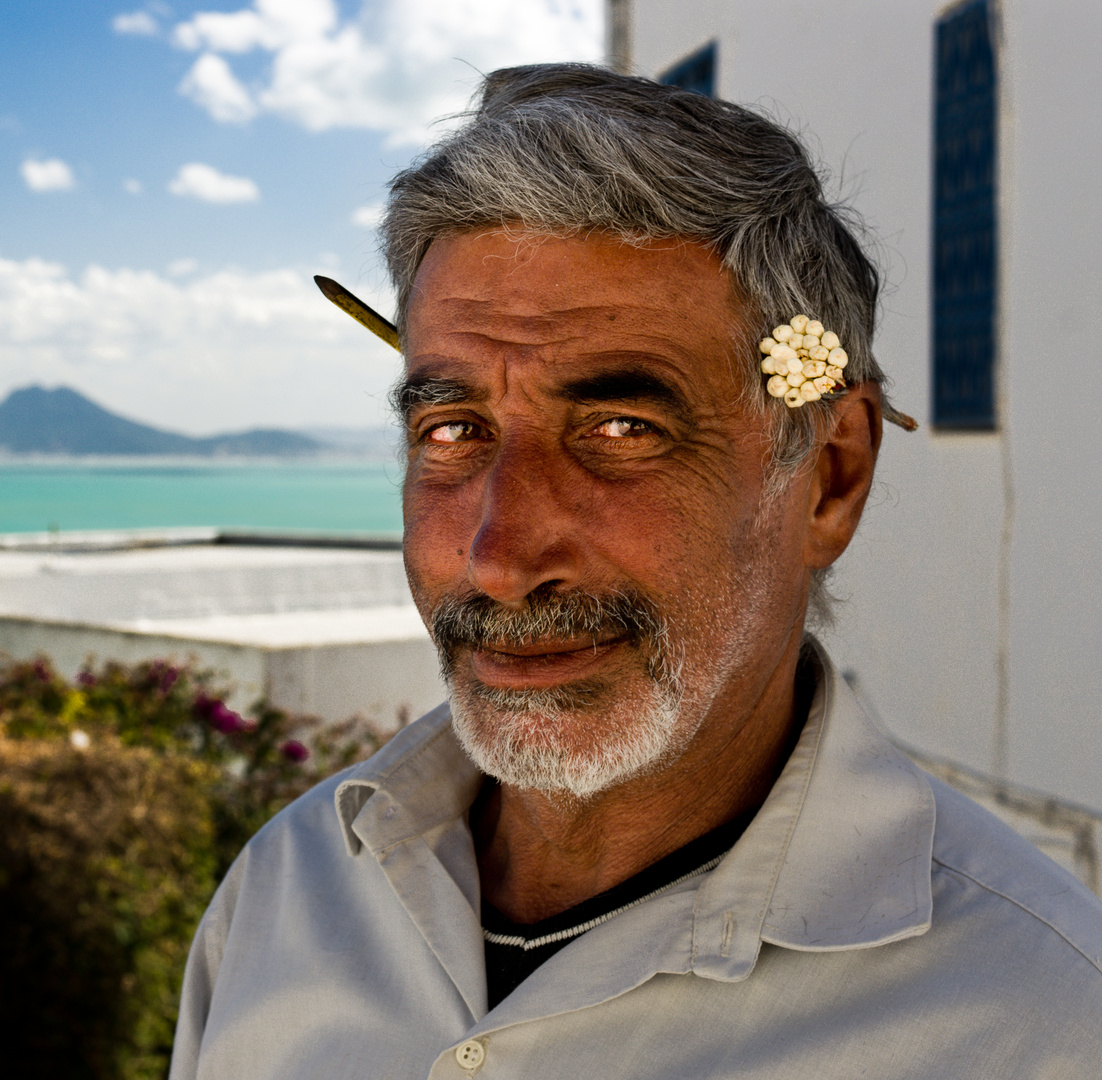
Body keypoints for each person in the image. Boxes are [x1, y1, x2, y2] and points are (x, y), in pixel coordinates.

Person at [168, 64, 1102, 1080]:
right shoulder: (287, 891)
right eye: (452, 427)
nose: (500, 557)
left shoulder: (1039, 1018)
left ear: (828, 477)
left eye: (620, 429)